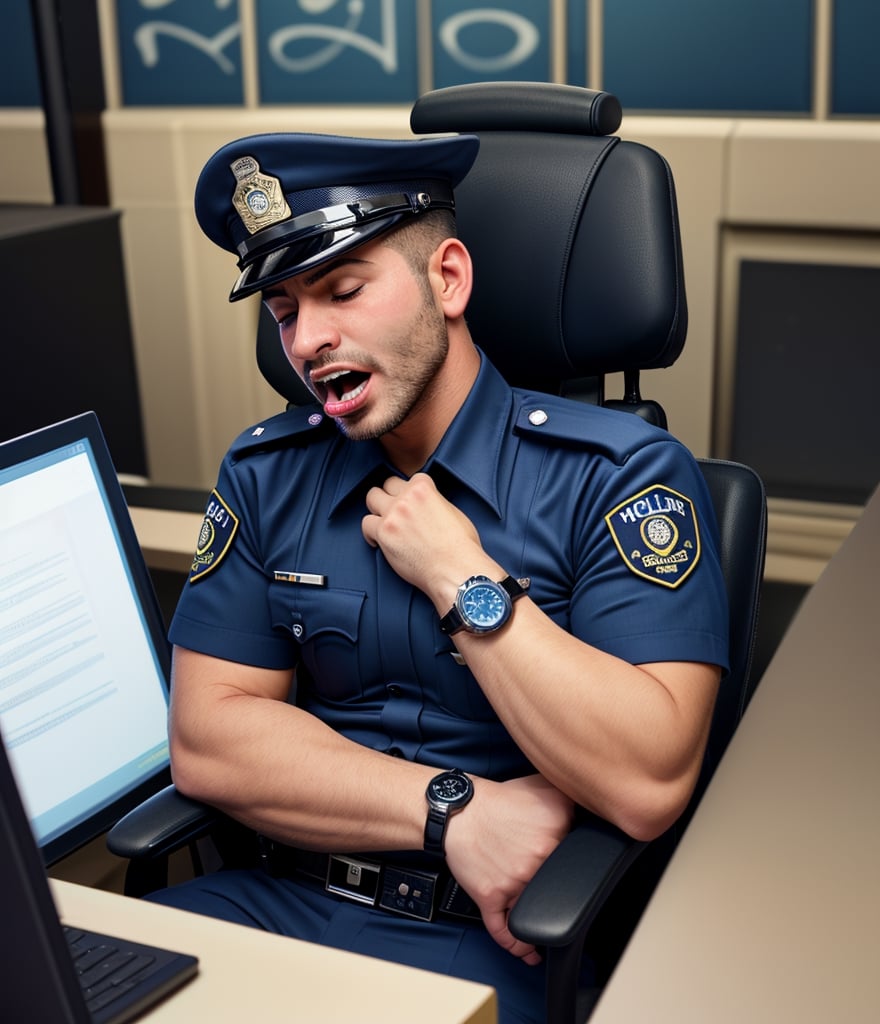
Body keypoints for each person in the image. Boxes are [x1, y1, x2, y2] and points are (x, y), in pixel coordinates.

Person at [150, 129, 729, 1023]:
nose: (309, 340)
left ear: (448, 280)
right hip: (272, 902)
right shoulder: (267, 473)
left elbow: (648, 780)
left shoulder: (621, 476)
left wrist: (464, 580)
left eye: (343, 291)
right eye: (283, 310)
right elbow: (207, 739)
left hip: (498, 937)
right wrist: (450, 808)